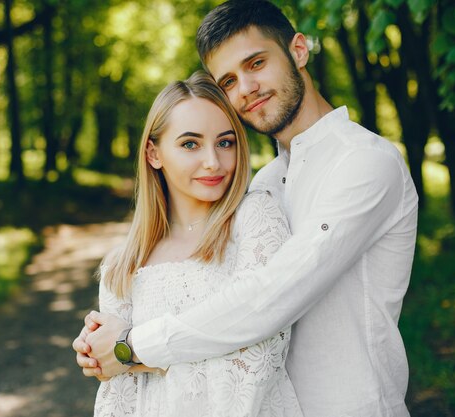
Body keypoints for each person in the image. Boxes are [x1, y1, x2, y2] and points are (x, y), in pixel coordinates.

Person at [74, 1, 419, 416]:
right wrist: (108, 346)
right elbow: (225, 320)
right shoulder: (267, 182)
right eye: (229, 80)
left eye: (256, 63)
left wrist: (131, 345)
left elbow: (269, 298)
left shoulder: (364, 162)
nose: (246, 88)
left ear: (298, 50)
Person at [91, 70, 302, 417]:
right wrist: (118, 355)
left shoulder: (256, 218)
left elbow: (256, 362)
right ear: (154, 154)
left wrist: (139, 356)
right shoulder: (123, 263)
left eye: (225, 142)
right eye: (190, 143)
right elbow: (118, 394)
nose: (213, 162)